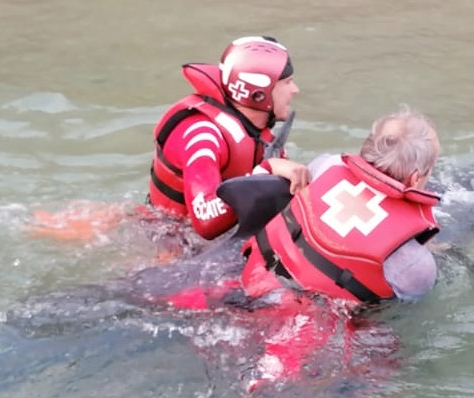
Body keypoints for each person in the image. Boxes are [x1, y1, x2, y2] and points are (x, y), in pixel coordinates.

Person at [239, 106, 442, 305]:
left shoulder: (326, 166)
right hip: (309, 317)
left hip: (248, 283)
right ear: (415, 178)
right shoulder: (414, 262)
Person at [147, 35, 312, 242]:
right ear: (258, 94)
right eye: (287, 83)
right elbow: (206, 222)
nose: (295, 90)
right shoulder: (202, 135)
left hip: (213, 243)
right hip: (168, 244)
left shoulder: (259, 135)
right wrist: (264, 172)